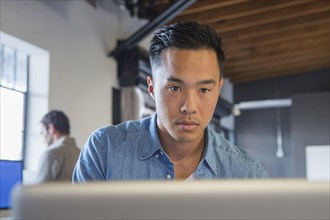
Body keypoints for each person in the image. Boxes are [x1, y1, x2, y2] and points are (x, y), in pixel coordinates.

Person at [73, 22, 267, 182]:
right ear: (151, 88)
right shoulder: (105, 150)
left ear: (218, 89)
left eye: (204, 90)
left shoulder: (246, 173)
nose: (189, 107)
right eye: (175, 88)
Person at [37, 110, 80, 183]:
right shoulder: (80, 153)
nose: (43, 137)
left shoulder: (51, 154)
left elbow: (37, 192)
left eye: (42, 132)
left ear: (51, 129)